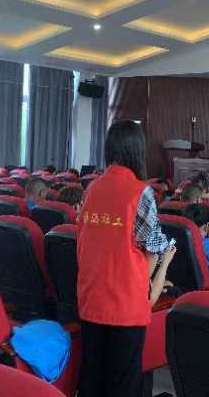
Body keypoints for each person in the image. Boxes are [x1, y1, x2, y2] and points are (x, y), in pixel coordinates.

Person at [76, 120, 170, 397]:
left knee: (93, 379)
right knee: (124, 384)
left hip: (92, 298)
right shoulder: (140, 192)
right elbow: (154, 247)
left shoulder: (92, 189)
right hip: (125, 305)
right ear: (137, 150)